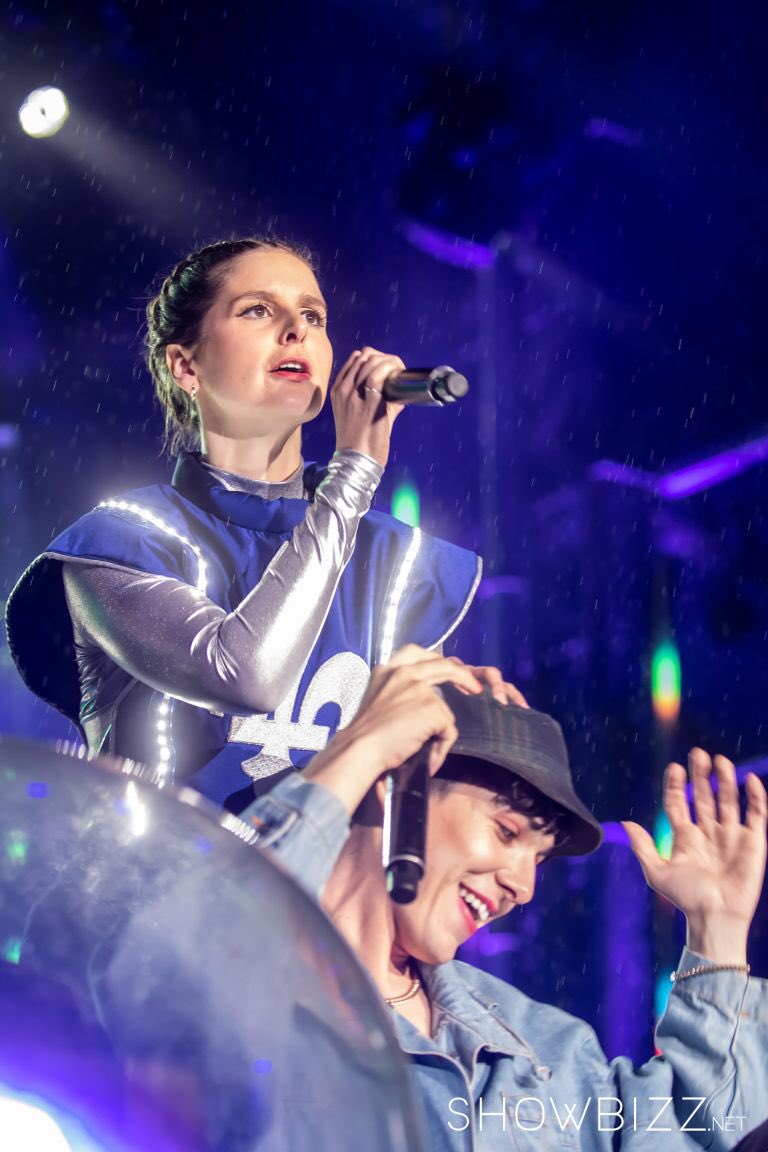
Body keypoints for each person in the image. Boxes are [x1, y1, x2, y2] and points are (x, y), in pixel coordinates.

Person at [5, 237, 490, 812]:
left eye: (313, 314)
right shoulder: (121, 543)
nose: (296, 330)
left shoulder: (396, 559)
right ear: (185, 365)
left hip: (326, 899)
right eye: (258, 310)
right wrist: (354, 471)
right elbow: (247, 677)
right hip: (167, 893)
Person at [240, 645, 768, 1150]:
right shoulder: (247, 976)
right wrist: (362, 747)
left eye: (540, 859)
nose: (524, 886)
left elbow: (709, 1134)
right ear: (397, 787)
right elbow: (198, 935)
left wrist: (716, 930)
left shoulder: (542, 1049)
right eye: (507, 832)